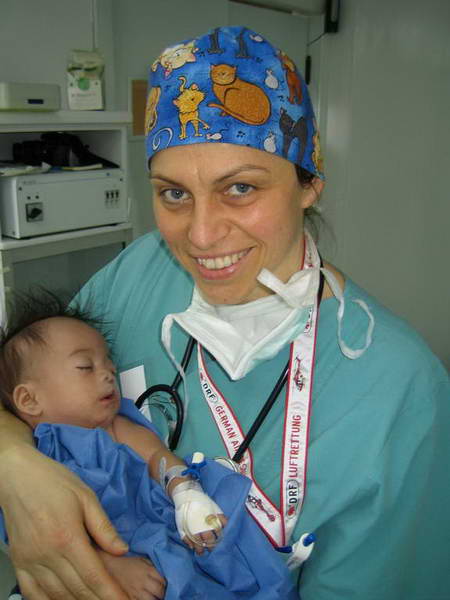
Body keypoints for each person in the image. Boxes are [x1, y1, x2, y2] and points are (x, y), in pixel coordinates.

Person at [0, 25, 449, 600]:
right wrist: (14, 464)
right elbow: (21, 385)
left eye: (239, 189)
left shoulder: (397, 390)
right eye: (174, 194)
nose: (201, 235)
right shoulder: (142, 270)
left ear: (308, 184)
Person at [0, 290, 298, 600]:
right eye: (85, 367)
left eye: (109, 365)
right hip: (90, 569)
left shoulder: (116, 428)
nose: (108, 374)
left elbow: (158, 456)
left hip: (157, 544)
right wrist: (109, 566)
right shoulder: (31, 464)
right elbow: (40, 537)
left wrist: (187, 496)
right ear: (29, 399)